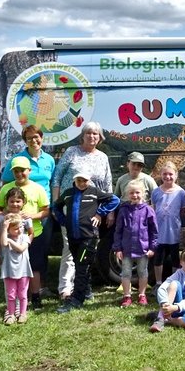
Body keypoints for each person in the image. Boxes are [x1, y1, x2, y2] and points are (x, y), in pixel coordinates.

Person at [53, 121, 113, 300]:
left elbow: (107, 183)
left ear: (100, 138)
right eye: (89, 133)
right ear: (83, 135)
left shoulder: (102, 157)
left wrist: (107, 212)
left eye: (95, 134)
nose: (92, 136)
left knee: (87, 249)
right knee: (69, 248)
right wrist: (56, 203)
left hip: (92, 211)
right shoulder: (72, 152)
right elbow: (57, 177)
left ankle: (83, 287)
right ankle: (65, 288)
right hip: (71, 206)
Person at [54, 170, 120, 313]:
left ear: (88, 181)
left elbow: (115, 200)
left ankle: (77, 299)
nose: (82, 183)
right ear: (75, 180)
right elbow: (56, 206)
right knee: (80, 264)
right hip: (73, 237)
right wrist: (63, 220)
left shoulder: (94, 192)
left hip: (89, 237)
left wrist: (100, 213)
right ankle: (87, 291)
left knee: (81, 268)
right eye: (79, 180)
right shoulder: (68, 193)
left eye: (85, 180)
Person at [0, 125, 55, 295]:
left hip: (43, 210)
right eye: (29, 138)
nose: (34, 140)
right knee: (20, 249)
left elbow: (52, 182)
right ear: (25, 141)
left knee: (41, 250)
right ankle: (22, 289)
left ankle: (40, 287)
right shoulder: (18, 160)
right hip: (22, 213)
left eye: (36, 137)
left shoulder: (49, 160)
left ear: (42, 138)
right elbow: (7, 184)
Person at [0, 156, 49, 309]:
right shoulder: (6, 188)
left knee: (35, 266)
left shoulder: (37, 188)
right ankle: (15, 299)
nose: (19, 174)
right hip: (12, 236)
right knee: (14, 266)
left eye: (22, 171)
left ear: (29, 171)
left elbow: (46, 210)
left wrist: (32, 216)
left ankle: (36, 296)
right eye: (16, 171)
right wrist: (6, 215)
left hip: (34, 233)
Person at [113, 180, 159, 307]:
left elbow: (154, 231)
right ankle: (127, 296)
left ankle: (142, 294)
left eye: (137, 192)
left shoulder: (148, 210)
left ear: (143, 194)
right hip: (126, 248)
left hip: (143, 248)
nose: (135, 195)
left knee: (142, 272)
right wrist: (117, 248)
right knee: (126, 272)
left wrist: (152, 247)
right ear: (128, 194)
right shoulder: (123, 210)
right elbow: (118, 230)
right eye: (132, 193)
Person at [149, 247, 185, 332]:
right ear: (181, 262)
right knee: (174, 284)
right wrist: (164, 303)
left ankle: (167, 319)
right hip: (173, 306)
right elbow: (162, 287)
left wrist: (176, 307)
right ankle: (160, 318)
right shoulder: (178, 273)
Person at [151, 161, 185, 287]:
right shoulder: (156, 192)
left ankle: (174, 282)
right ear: (161, 175)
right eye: (165, 174)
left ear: (176, 175)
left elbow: (183, 211)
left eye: (171, 174)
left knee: (175, 258)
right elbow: (154, 207)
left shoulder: (181, 192)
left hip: (173, 230)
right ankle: (158, 282)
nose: (168, 177)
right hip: (159, 230)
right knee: (158, 257)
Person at [0, 213, 33, 325]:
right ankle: (11, 315)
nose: (20, 230)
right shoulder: (6, 238)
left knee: (22, 294)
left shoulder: (25, 237)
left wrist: (11, 242)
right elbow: (3, 243)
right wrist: (4, 228)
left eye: (21, 227)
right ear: (9, 229)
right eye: (16, 228)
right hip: (9, 271)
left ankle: (23, 314)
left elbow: (21, 249)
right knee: (11, 295)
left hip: (23, 270)